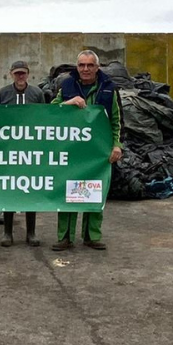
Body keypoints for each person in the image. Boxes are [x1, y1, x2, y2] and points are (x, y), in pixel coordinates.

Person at [51, 50, 123, 251]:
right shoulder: (66, 86)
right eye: (81, 65)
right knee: (67, 192)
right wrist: (68, 102)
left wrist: (117, 145)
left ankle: (92, 236)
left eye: (90, 65)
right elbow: (51, 112)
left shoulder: (109, 88)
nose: (85, 69)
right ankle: (65, 237)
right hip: (71, 150)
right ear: (77, 67)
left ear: (97, 68)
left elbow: (118, 121)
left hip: (97, 151)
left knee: (94, 191)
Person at [0, 60, 46, 247]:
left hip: (30, 149)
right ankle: (7, 232)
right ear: (11, 74)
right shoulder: (3, 93)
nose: (20, 76)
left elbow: (44, 119)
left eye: (23, 73)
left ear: (28, 74)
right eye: (17, 73)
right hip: (9, 149)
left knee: (29, 189)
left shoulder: (37, 93)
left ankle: (31, 232)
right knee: (9, 188)